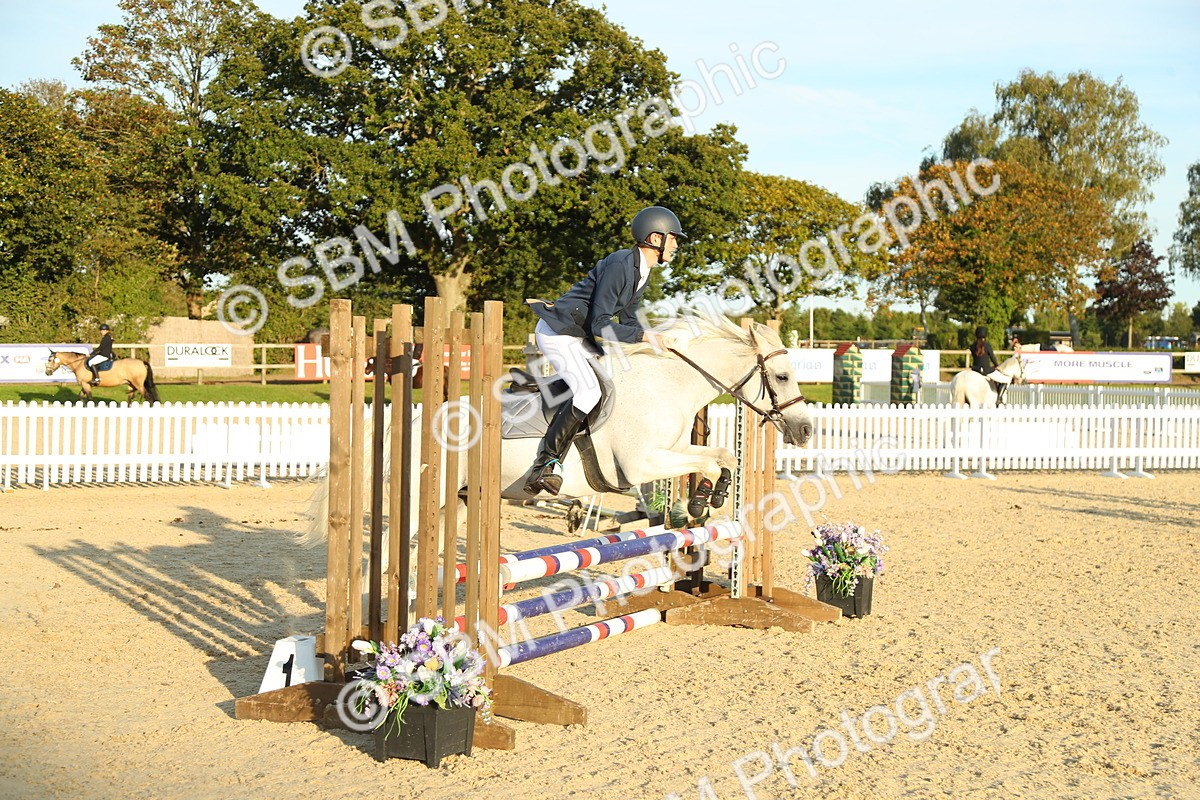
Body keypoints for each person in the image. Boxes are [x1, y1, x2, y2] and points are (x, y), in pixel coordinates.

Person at [523, 206, 685, 495]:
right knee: (589, 392)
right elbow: (600, 325)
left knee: (607, 381)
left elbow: (630, 321)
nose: (676, 244)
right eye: (673, 238)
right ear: (655, 238)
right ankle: (546, 462)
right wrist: (647, 337)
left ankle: (546, 390)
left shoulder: (642, 271)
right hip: (559, 333)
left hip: (578, 336)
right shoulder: (621, 264)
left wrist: (659, 348)